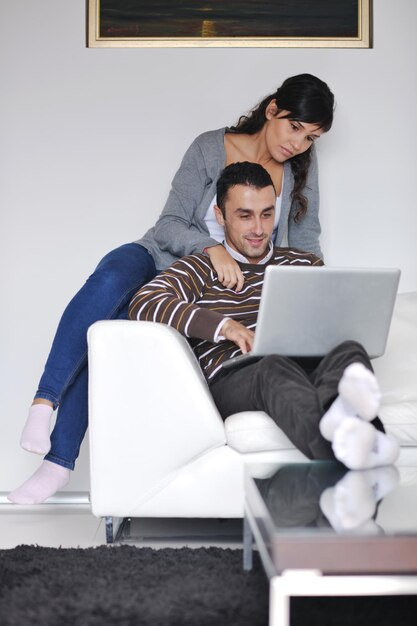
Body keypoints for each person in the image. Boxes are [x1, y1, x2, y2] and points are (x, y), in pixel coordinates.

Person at [9, 74, 335, 504]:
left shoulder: (298, 173)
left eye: (311, 138)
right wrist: (211, 249)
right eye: (295, 127)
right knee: (107, 280)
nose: (298, 144)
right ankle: (43, 403)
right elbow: (168, 224)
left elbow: (305, 246)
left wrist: (315, 297)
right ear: (272, 109)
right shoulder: (208, 147)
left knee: (108, 338)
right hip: (160, 255)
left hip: (197, 286)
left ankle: (57, 463)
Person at [128, 162, 400, 471]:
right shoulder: (199, 268)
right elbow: (145, 302)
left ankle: (347, 421)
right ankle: (352, 446)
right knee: (272, 365)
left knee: (350, 351)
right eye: (245, 216)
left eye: (267, 214)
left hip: (307, 367)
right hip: (237, 377)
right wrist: (224, 326)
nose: (258, 228)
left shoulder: (303, 264)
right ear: (220, 216)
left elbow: (332, 321)